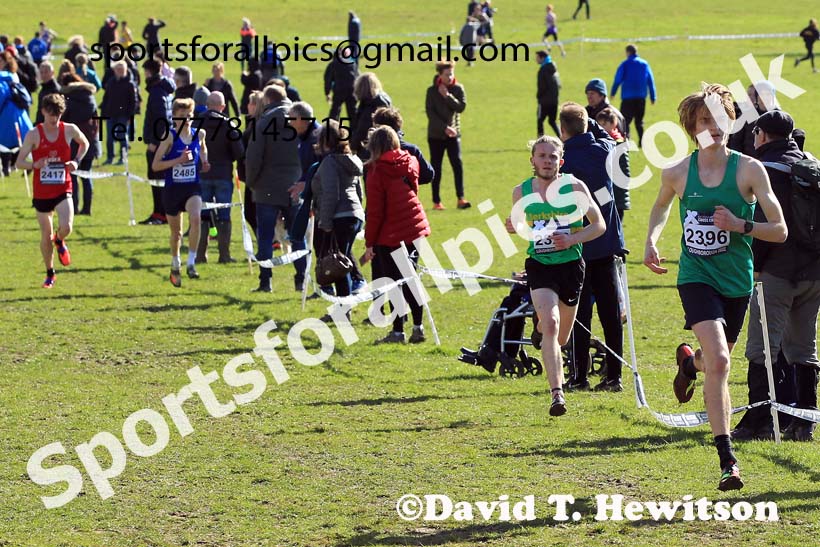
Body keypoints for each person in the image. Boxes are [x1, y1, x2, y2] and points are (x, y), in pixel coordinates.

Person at [644, 83, 788, 490]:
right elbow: (659, 207)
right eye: (706, 119)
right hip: (695, 276)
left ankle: (689, 365)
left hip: (736, 281)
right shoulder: (677, 172)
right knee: (723, 361)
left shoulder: (748, 169)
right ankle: (728, 460)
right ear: (693, 127)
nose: (715, 126)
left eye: (721, 117)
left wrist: (741, 225)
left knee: (713, 363)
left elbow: (779, 230)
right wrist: (651, 240)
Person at [731, 110, 819, 442]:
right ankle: (805, 420)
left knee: (761, 347)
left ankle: (760, 419)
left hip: (776, 273)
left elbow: (766, 230)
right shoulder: (811, 166)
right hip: (814, 274)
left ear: (763, 136)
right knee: (803, 347)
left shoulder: (764, 171)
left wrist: (754, 266)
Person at [505, 135, 605, 415]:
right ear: (533, 160)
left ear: (561, 161)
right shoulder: (521, 192)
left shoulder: (574, 187)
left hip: (571, 266)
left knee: (560, 337)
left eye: (552, 157)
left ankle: (539, 332)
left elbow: (599, 225)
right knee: (550, 322)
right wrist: (513, 226)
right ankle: (557, 394)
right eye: (542, 156)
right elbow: (523, 226)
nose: (547, 161)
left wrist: (572, 240)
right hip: (540, 265)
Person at [556, 103, 626, 392]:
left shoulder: (563, 160)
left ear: (562, 130)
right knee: (611, 312)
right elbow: (610, 138)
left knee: (579, 312)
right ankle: (615, 376)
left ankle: (579, 376)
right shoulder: (603, 150)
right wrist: (591, 129)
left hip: (577, 245)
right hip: (607, 242)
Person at [363, 126, 432, 343]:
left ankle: (398, 330)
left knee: (394, 282)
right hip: (414, 227)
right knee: (411, 278)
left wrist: (369, 242)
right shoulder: (410, 161)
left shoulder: (376, 171)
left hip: (390, 233)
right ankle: (418, 326)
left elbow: (375, 210)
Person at [15, 94, 88, 288]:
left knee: (67, 227)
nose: (54, 120)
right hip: (42, 192)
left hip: (63, 186)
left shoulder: (69, 129)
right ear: (43, 112)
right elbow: (19, 162)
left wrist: (76, 161)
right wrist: (35, 164)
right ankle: (50, 273)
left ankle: (60, 239)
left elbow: (85, 143)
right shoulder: (34, 134)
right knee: (45, 235)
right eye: (50, 115)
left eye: (57, 115)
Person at [245, 85, 303, 293]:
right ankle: (301, 279)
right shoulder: (300, 116)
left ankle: (265, 280)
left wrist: (251, 182)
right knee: (298, 236)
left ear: (268, 100)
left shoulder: (263, 122)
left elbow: (253, 158)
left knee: (265, 236)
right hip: (296, 185)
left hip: (266, 187)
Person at [152, 98, 210, 286]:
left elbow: (202, 150)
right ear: (174, 118)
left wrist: (205, 161)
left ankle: (191, 263)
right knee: (176, 233)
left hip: (192, 187)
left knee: (195, 218)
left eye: (189, 115)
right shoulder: (169, 137)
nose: (186, 119)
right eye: (182, 116)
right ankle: (175, 262)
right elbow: (155, 165)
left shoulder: (199, 134)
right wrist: (178, 160)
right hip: (173, 190)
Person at [312, 119, 365, 305]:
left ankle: (343, 311)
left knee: (338, 265)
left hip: (338, 218)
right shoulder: (352, 161)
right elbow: (359, 193)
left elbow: (330, 195)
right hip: (354, 215)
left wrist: (325, 223)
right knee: (343, 262)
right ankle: (344, 307)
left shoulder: (329, 163)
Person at [196, 91, 244, 264]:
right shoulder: (228, 124)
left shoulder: (196, 122)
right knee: (224, 215)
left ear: (207, 105)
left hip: (201, 174)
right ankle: (224, 255)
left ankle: (200, 255)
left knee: (202, 215)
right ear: (222, 106)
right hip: (223, 174)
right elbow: (239, 151)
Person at [426, 61, 469, 210]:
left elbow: (461, 107)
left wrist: (447, 96)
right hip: (436, 135)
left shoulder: (458, 89)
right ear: (440, 75)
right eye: (447, 74)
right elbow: (431, 114)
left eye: (451, 73)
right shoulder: (431, 91)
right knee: (436, 167)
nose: (450, 76)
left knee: (457, 165)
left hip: (454, 135)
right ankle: (436, 202)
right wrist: (444, 128)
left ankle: (461, 198)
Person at [140, 58, 175, 225]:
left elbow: (161, 119)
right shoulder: (164, 88)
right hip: (163, 140)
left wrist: (156, 142)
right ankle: (160, 212)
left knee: (156, 178)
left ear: (148, 72)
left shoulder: (156, 91)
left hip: (157, 144)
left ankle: (160, 213)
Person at [60, 70, 99, 216]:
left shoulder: (69, 99)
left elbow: (65, 120)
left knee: (73, 176)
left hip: (73, 141)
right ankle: (87, 208)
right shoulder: (90, 98)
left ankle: (74, 207)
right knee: (87, 176)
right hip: (89, 140)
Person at [372, 106, 435, 185]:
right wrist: (410, 181)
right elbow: (428, 175)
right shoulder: (410, 150)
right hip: (406, 195)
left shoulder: (371, 152)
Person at [611, 44, 656, 147]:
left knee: (625, 121)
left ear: (627, 52)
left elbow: (618, 79)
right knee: (639, 121)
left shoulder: (625, 64)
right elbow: (650, 80)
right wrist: (653, 96)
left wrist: (613, 92)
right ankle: (641, 141)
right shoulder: (644, 64)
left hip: (628, 97)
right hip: (641, 97)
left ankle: (627, 140)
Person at [595, 108, 631, 221]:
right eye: (599, 124)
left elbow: (624, 171)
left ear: (613, 124)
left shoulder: (618, 144)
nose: (601, 127)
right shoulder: (600, 142)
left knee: (614, 223)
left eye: (604, 124)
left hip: (616, 192)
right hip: (603, 189)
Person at [238, 90, 265, 236]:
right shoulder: (253, 123)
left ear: (256, 106)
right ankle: (267, 238)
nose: (247, 106)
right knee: (252, 211)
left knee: (251, 211)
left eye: (250, 103)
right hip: (252, 174)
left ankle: (268, 239)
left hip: (255, 175)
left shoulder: (257, 126)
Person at [728, 81, 779, 157]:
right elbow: (736, 141)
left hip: (771, 160)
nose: (764, 98)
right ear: (757, 97)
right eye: (761, 95)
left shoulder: (779, 116)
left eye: (768, 94)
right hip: (748, 160)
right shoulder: (749, 114)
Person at [100, 60, 136, 166]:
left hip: (123, 115)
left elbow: (133, 101)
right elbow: (106, 98)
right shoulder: (111, 82)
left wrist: (130, 116)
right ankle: (110, 158)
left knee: (121, 136)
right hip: (111, 113)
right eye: (117, 69)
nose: (119, 71)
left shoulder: (130, 84)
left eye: (122, 69)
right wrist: (103, 112)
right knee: (109, 137)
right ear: (114, 70)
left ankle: (123, 157)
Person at [350, 72, 391, 158]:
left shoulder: (369, 109)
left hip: (371, 151)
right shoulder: (383, 102)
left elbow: (361, 132)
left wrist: (351, 146)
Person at [324, 46, 358, 121]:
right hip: (351, 90)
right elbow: (357, 77)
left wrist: (327, 93)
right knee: (353, 113)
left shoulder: (333, 64)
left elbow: (328, 79)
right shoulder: (351, 63)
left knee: (335, 112)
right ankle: (356, 130)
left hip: (339, 90)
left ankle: (332, 129)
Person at [535, 51, 560, 137]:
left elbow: (542, 86)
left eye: (537, 57)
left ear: (542, 58)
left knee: (540, 120)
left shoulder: (542, 70)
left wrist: (538, 96)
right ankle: (563, 138)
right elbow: (559, 85)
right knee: (552, 121)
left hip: (544, 101)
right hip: (554, 101)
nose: (536, 59)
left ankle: (540, 140)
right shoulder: (554, 69)